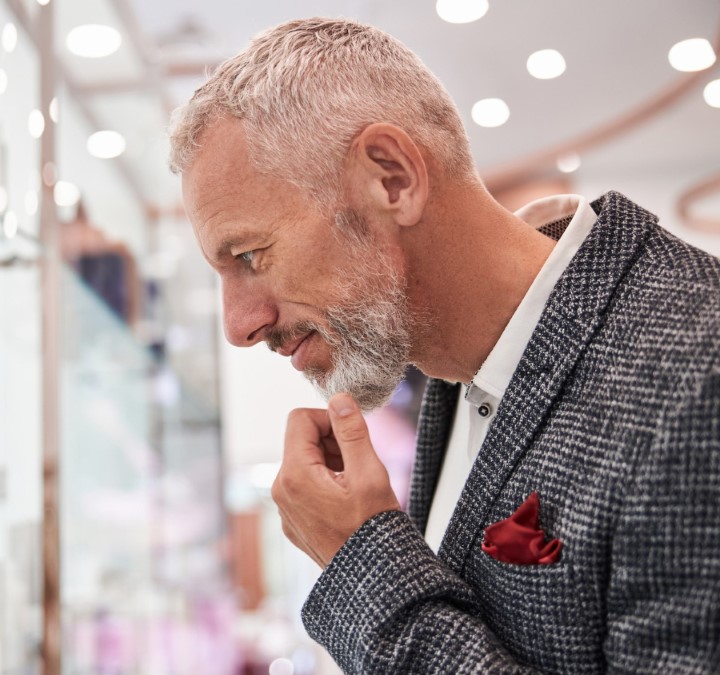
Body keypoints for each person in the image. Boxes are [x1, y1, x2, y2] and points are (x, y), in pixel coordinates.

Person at [168, 17, 720, 673]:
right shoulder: (452, 368)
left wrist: (362, 563)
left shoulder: (699, 367)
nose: (239, 324)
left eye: (252, 255)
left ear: (392, 178)